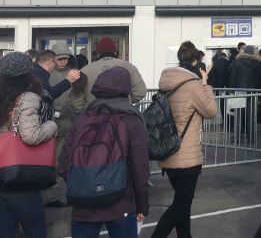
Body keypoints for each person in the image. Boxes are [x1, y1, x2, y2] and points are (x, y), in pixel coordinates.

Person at [59, 67, 150, 238]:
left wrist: (85, 183)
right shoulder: (131, 120)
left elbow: (64, 163)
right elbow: (140, 168)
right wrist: (142, 205)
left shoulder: (82, 119)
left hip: (83, 207)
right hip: (120, 204)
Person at [151, 44, 217, 238]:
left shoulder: (167, 82)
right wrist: (205, 84)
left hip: (168, 149)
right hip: (187, 155)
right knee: (182, 203)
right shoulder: (193, 85)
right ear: (196, 61)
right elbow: (211, 111)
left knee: (183, 202)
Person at [0, 52, 58, 238]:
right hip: (20, 178)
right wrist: (51, 125)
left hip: (1, 178)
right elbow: (31, 135)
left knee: (5, 230)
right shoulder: (27, 97)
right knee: (35, 229)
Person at [43, 42, 80, 207]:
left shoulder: (74, 73)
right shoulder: (47, 75)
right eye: (60, 59)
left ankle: (64, 195)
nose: (63, 61)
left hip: (69, 122)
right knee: (54, 163)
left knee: (68, 161)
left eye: (66, 58)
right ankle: (50, 197)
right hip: (52, 123)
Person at [71, 37, 146, 114]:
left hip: (94, 115)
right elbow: (140, 92)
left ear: (98, 54)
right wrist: (127, 102)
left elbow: (76, 99)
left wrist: (87, 111)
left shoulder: (85, 70)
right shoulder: (129, 67)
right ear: (115, 52)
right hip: (122, 115)